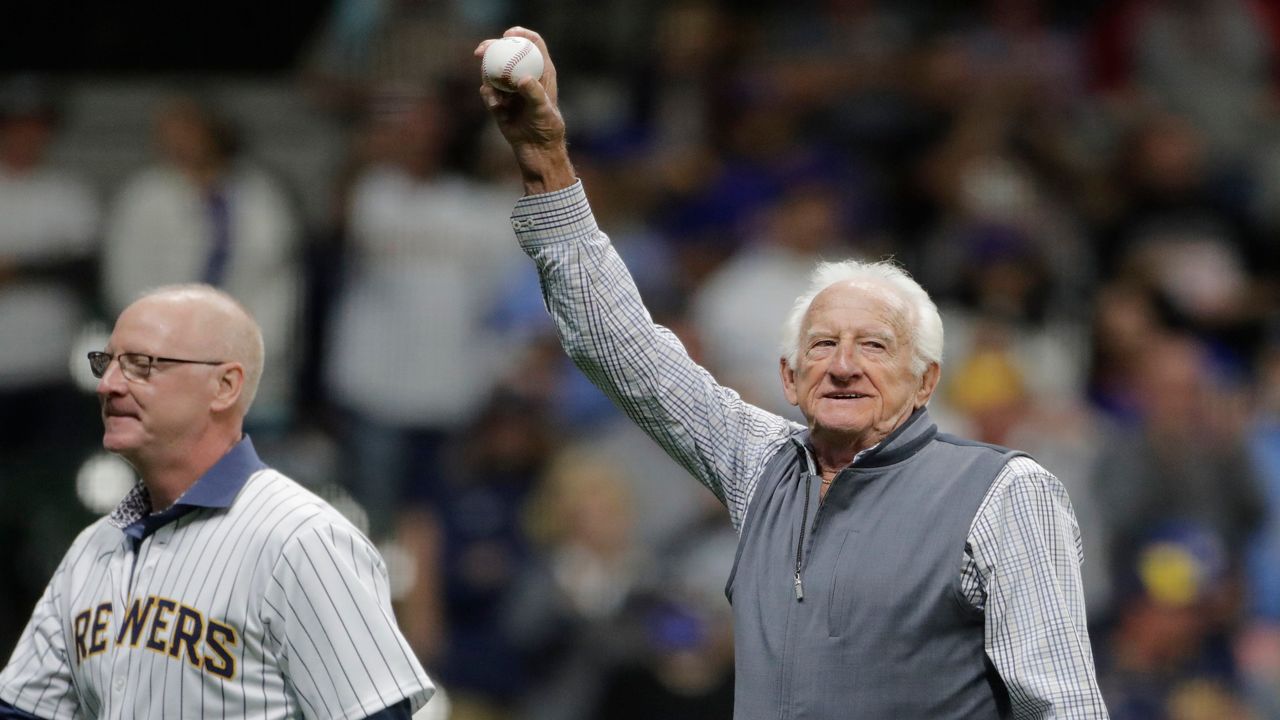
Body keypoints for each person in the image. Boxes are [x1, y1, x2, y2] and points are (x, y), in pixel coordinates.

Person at [475, 28, 1108, 718]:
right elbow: (620, 347)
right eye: (821, 346)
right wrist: (545, 160)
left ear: (928, 382)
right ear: (789, 378)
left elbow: (1064, 702)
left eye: (874, 346)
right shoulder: (761, 467)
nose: (842, 365)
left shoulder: (1004, 492)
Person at [0, 284, 435, 719]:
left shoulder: (302, 539)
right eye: (106, 362)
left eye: (141, 365)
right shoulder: (92, 550)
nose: (108, 385)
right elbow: (24, 711)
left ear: (225, 386)